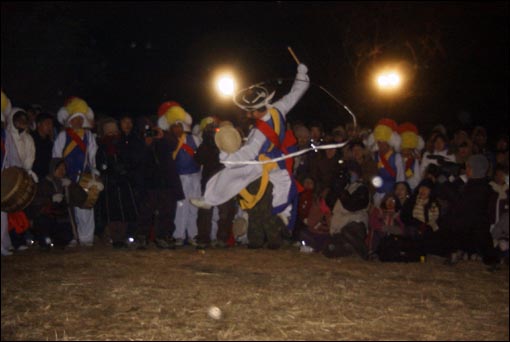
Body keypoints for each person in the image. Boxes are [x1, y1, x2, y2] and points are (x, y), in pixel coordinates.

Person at [192, 63, 310, 231]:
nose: (248, 115)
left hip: (268, 160)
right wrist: (302, 75)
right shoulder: (279, 108)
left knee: (278, 180)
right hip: (270, 160)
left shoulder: (259, 132)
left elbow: (248, 153)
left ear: (257, 111)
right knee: (236, 175)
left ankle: (283, 210)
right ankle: (210, 200)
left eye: (250, 112)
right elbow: (296, 93)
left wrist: (228, 158)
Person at [52, 96, 99, 246]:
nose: (78, 122)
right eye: (75, 119)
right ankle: (75, 236)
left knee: (87, 205)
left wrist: (94, 171)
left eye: (80, 119)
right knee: (71, 208)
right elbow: (56, 156)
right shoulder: (62, 136)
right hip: (68, 176)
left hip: (84, 175)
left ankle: (87, 238)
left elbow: (92, 155)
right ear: (70, 121)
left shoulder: (89, 136)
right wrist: (60, 175)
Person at [135, 116, 185, 249]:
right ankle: (142, 237)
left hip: (166, 180)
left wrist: (162, 136)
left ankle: (163, 236)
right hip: (149, 181)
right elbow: (136, 158)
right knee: (146, 211)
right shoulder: (137, 139)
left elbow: (174, 144)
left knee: (167, 210)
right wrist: (146, 144)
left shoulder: (164, 136)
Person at [157, 101, 201, 246]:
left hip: (194, 177)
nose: (178, 128)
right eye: (174, 125)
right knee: (180, 207)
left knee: (194, 206)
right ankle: (179, 235)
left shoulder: (194, 139)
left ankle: (193, 235)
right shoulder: (167, 142)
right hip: (179, 178)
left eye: (179, 124)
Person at [445, 154, 500, 267]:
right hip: (469, 223)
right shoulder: (475, 184)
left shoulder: (481, 187)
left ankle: (491, 260)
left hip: (475, 224)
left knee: (460, 225)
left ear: (474, 169)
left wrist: (446, 185)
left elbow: (461, 202)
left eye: (468, 167)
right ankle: (459, 251)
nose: (466, 170)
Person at [96, 118, 139, 248]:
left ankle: (125, 236)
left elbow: (131, 160)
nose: (113, 135)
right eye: (110, 133)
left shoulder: (123, 145)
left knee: (125, 211)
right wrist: (110, 168)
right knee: (112, 212)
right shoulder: (102, 148)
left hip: (124, 182)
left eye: (115, 132)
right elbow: (100, 165)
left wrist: (125, 168)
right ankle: (115, 238)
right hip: (110, 183)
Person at [194, 118, 236, 249]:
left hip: (224, 180)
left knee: (226, 211)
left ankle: (222, 238)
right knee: (206, 210)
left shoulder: (229, 143)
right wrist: (208, 140)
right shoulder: (206, 144)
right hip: (209, 180)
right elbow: (199, 158)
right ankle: (204, 238)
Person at [3, 108, 38, 251]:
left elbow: (30, 155)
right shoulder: (8, 136)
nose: (22, 123)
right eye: (19, 120)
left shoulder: (28, 138)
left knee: (21, 209)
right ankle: (12, 240)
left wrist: (27, 170)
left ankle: (22, 239)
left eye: (24, 120)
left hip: (22, 176)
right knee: (9, 211)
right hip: (8, 176)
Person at [324, 160, 370, 259]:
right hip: (339, 225)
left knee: (347, 232)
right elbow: (329, 202)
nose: (349, 175)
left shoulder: (362, 188)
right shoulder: (342, 187)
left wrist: (342, 192)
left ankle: (365, 253)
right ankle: (351, 252)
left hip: (355, 223)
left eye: (351, 173)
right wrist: (336, 187)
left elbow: (352, 206)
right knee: (329, 249)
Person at [25, 158, 74, 249]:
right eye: (59, 168)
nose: (62, 171)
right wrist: (51, 199)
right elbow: (35, 201)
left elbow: (81, 198)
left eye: (64, 169)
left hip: (59, 219)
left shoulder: (65, 183)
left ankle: (55, 240)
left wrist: (72, 186)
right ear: (53, 169)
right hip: (45, 218)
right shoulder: (44, 183)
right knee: (44, 228)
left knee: (66, 237)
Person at [365, 118, 405, 207]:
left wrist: (398, 195)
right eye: (379, 142)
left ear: (389, 142)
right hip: (376, 193)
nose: (381, 145)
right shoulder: (374, 156)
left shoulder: (396, 157)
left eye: (383, 142)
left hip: (391, 194)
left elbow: (400, 178)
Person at [397, 122, 424, 191]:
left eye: (408, 149)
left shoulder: (414, 161)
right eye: (404, 148)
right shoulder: (397, 158)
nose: (406, 151)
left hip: (410, 189)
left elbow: (417, 179)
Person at [31, 112, 55, 180]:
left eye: (51, 124)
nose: (50, 127)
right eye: (47, 124)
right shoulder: (31, 139)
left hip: (46, 177)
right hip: (33, 175)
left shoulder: (49, 142)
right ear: (38, 124)